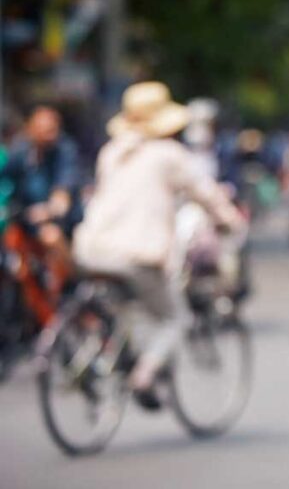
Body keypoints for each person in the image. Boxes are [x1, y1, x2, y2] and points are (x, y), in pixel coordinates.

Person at [73, 82, 245, 403]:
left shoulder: (111, 152)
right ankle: (144, 375)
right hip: (135, 253)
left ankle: (113, 357)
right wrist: (231, 221)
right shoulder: (168, 155)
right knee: (175, 318)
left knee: (129, 307)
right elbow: (207, 195)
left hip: (90, 249)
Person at [1, 106, 82, 291]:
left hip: (55, 220)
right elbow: (5, 173)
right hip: (24, 218)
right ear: (30, 128)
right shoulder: (21, 150)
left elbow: (64, 187)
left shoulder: (64, 151)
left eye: (53, 129)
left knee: (50, 236)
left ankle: (74, 285)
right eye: (44, 130)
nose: (49, 135)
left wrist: (53, 207)